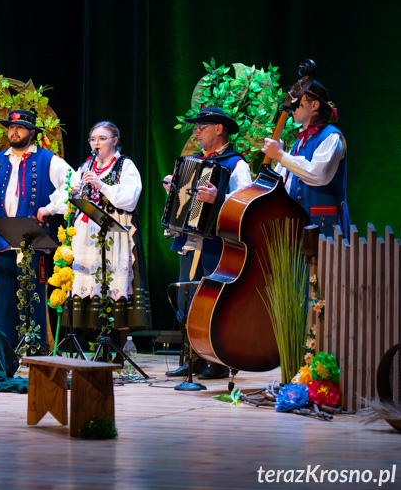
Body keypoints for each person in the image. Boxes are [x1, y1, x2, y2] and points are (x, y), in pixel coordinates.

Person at [0, 109, 73, 351]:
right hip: (2, 236)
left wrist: (49, 207)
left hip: (33, 236)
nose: (14, 131)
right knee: (3, 295)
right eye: (11, 128)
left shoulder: (48, 160)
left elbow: (71, 184)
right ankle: (5, 349)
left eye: (21, 128)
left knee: (34, 291)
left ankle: (35, 347)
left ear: (32, 132)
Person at [162, 107, 252, 379]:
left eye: (202, 126)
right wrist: (174, 189)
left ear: (219, 129)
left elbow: (246, 205)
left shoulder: (237, 164)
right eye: (195, 127)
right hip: (191, 242)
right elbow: (186, 205)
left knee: (213, 303)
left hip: (218, 245)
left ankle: (219, 361)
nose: (196, 132)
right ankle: (193, 360)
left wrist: (219, 198)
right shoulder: (194, 161)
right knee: (186, 300)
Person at [67, 122, 142, 343]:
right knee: (89, 281)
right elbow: (73, 197)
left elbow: (129, 199)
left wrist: (101, 185)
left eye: (101, 138)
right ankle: (94, 340)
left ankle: (116, 346)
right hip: (86, 232)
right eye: (92, 139)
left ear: (115, 140)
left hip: (114, 231)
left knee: (113, 281)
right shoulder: (85, 166)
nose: (96, 143)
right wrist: (74, 193)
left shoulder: (125, 165)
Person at [261, 63, 349, 237]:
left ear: (315, 105)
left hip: (325, 231)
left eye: (298, 101)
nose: (292, 106)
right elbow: (279, 182)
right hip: (297, 228)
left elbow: (318, 175)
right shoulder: (298, 143)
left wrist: (279, 155)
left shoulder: (332, 137)